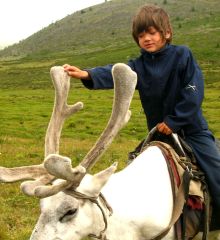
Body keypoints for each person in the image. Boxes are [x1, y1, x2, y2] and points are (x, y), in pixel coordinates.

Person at [63, 4, 220, 228]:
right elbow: (115, 73)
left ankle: (215, 221)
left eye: (152, 32)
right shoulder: (139, 65)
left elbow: (193, 92)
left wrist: (174, 121)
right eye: (141, 35)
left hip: (192, 131)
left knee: (216, 172)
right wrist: (87, 74)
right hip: (159, 135)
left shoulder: (182, 55)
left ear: (166, 33)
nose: (146, 38)